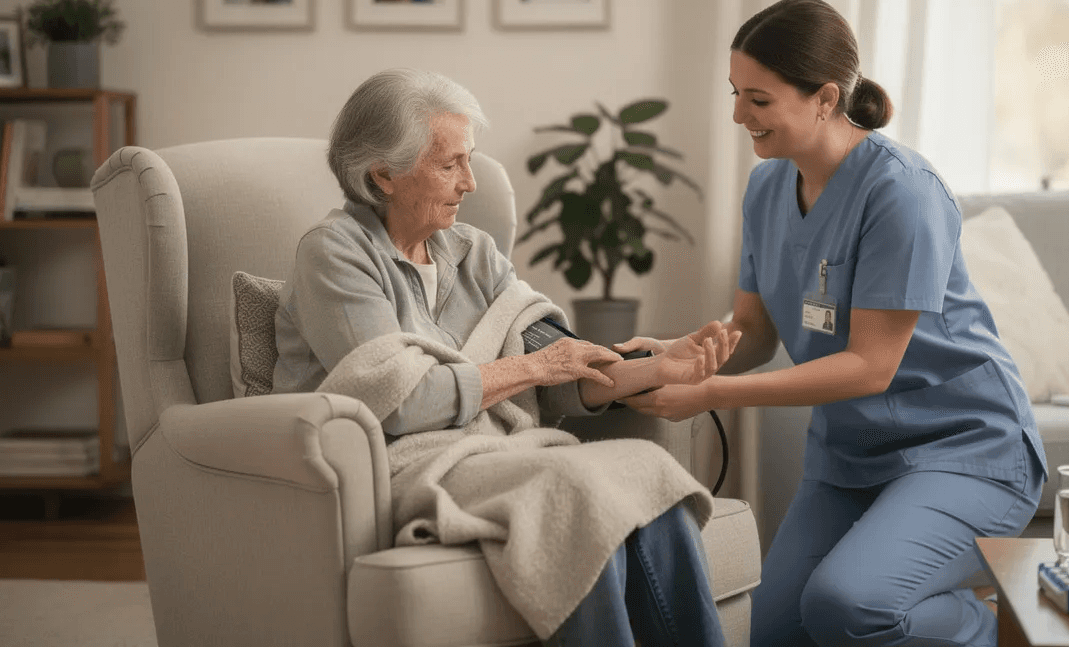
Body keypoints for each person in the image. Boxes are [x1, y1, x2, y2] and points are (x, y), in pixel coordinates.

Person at [619, 0, 1049, 647]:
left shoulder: (903, 192)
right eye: (736, 94)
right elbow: (754, 332)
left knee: (846, 608)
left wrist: (710, 393)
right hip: (850, 458)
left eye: (758, 100)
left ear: (823, 98)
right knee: (772, 634)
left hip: (965, 449)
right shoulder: (767, 189)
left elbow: (870, 367)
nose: (738, 115)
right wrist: (679, 353)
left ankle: (1005, 627)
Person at [272, 68, 739, 647]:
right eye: (450, 164)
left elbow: (556, 360)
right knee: (576, 490)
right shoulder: (334, 254)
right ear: (383, 175)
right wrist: (535, 368)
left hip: (498, 450)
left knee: (651, 475)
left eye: (470, 160)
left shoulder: (473, 252)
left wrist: (654, 369)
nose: (470, 182)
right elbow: (397, 401)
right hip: (402, 462)